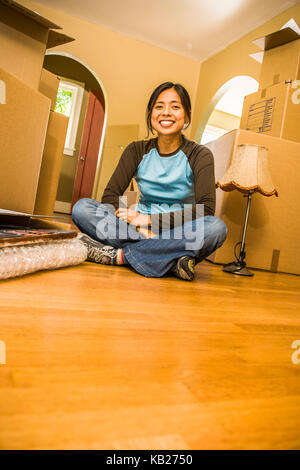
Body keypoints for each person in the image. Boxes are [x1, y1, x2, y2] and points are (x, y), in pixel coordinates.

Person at [72, 82, 227, 281]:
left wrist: (149, 221)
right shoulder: (136, 150)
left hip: (177, 230)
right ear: (151, 114)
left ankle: (120, 256)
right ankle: (169, 259)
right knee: (82, 208)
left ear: (187, 115)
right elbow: (110, 196)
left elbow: (205, 210)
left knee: (215, 228)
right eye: (159, 106)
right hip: (136, 229)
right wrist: (139, 227)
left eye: (175, 106)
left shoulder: (200, 155)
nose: (166, 113)